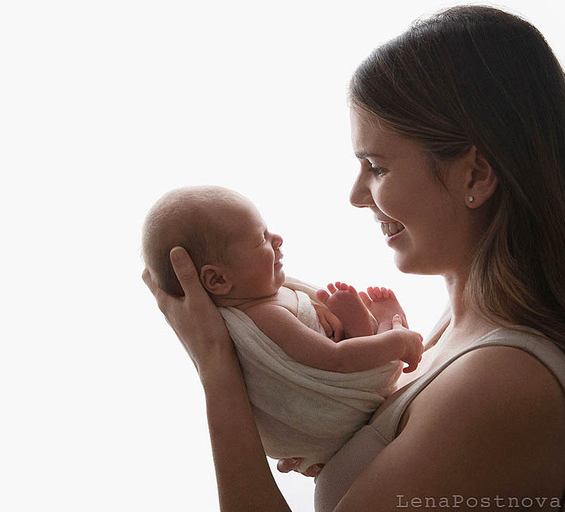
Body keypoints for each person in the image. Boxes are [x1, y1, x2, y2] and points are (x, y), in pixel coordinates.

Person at [142, 5, 565, 511]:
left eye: (376, 166)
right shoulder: (458, 333)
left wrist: (217, 369)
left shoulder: (503, 380)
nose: (357, 195)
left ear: (475, 176)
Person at [142, 186, 424, 473]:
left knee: (343, 318)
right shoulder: (267, 315)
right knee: (369, 343)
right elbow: (336, 359)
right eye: (261, 238)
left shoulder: (264, 294)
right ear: (217, 279)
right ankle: (387, 330)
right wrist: (399, 343)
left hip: (336, 377)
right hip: (336, 399)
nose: (276, 239)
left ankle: (369, 327)